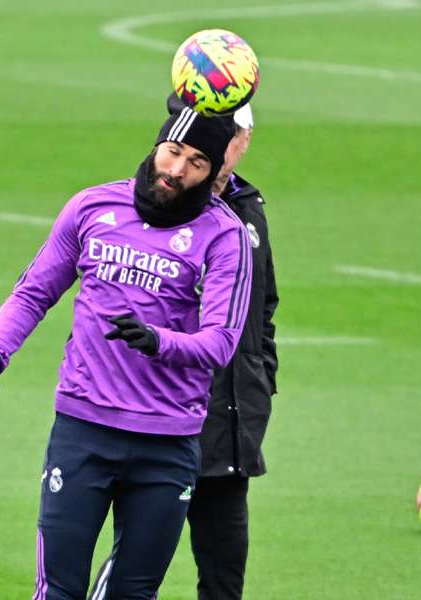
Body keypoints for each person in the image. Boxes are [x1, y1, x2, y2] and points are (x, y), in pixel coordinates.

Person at [0, 99, 252, 599]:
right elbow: (34, 292)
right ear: (155, 147)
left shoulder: (224, 236)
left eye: (196, 163)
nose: (177, 171)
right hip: (83, 431)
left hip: (167, 442)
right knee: (58, 590)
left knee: (132, 595)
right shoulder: (93, 207)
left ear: (212, 172)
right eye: (172, 153)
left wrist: (160, 342)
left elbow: (220, 343)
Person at [88, 99, 278, 600]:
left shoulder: (248, 209)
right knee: (135, 564)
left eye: (232, 134)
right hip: (166, 415)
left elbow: (264, 309)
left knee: (223, 575)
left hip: (232, 426)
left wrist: (261, 387)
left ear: (243, 142)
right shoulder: (156, 201)